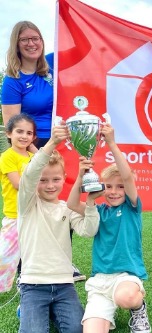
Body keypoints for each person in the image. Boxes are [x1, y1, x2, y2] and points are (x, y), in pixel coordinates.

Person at [1, 20, 86, 282]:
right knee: (36, 205)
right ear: (16, 44)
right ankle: (26, 265)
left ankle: (63, 262)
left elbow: (83, 48)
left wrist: (72, 17)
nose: (31, 43)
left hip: (62, 143)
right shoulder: (13, 81)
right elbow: (12, 125)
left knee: (60, 203)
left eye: (36, 37)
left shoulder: (50, 64)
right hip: (34, 148)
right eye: (25, 39)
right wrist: (40, 154)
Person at [67, 123, 151, 333]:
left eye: (120, 186)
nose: (114, 192)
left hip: (126, 277)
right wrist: (80, 176)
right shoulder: (98, 210)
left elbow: (128, 176)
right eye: (109, 186)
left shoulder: (131, 207)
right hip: (100, 281)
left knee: (126, 297)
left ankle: (139, 308)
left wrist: (112, 143)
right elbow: (70, 204)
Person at [16, 122, 100, 333]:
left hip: (64, 284)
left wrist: (90, 204)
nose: (50, 185)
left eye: (55, 179)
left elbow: (88, 230)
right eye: (43, 180)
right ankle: (28, 309)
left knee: (75, 330)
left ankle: (49, 311)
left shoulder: (67, 208)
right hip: (33, 285)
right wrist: (53, 142)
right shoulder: (27, 204)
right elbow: (29, 175)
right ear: (35, 182)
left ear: (64, 179)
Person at [0, 114, 36, 293]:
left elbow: (51, 163)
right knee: (4, 255)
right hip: (15, 215)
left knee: (32, 253)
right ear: (9, 133)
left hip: (34, 213)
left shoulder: (32, 155)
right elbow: (18, 184)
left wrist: (35, 151)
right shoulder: (7, 156)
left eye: (29, 133)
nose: (24, 136)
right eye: (19, 131)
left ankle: (29, 284)